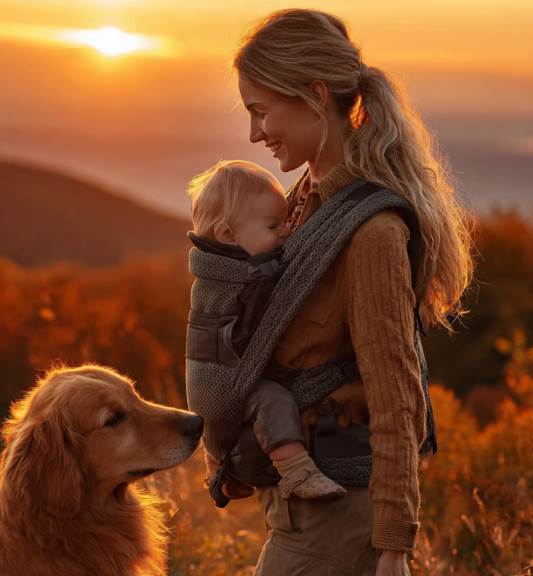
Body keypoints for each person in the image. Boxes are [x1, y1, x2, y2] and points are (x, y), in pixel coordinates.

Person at [228, 8, 475, 576]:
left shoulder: (370, 233)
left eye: (261, 111)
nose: (253, 134)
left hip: (340, 522)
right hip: (298, 510)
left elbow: (397, 397)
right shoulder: (301, 204)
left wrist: (393, 548)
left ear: (315, 95)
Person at [185, 159, 347, 501]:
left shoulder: (231, 263)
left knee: (232, 416)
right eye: (274, 226)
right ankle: (297, 472)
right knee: (273, 399)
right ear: (229, 235)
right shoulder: (233, 278)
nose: (286, 232)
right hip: (218, 378)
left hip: (215, 375)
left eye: (287, 222)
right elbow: (276, 296)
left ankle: (219, 467)